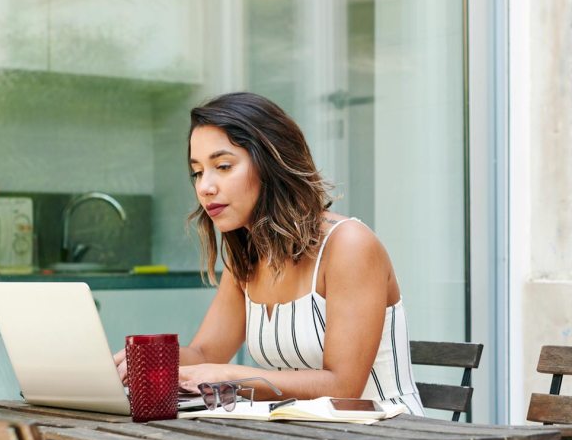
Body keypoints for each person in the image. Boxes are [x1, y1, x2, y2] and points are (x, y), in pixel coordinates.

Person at [114, 91, 423, 414]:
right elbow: (206, 355)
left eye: (222, 166)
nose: (205, 186)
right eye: (198, 172)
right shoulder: (247, 258)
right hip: (299, 438)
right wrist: (141, 362)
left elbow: (344, 387)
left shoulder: (349, 245)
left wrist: (232, 375)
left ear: (271, 164)